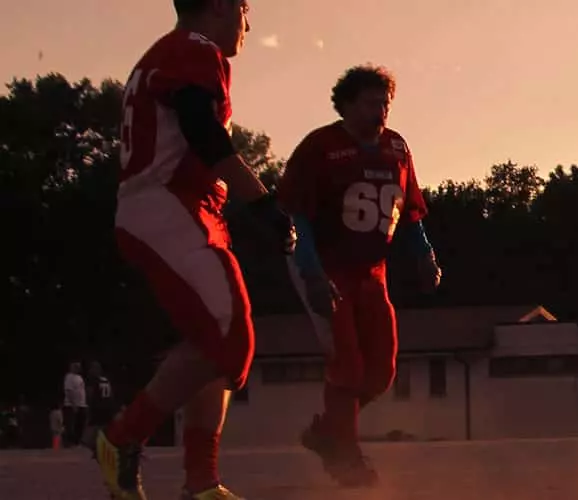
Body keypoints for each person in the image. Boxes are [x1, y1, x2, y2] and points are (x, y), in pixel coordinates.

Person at [97, 0, 282, 499]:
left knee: (213, 345)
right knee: (227, 332)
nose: (248, 23)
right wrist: (261, 202)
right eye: (245, 7)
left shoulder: (173, 53)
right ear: (219, 5)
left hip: (182, 208)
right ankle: (122, 436)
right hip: (167, 204)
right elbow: (203, 131)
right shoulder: (194, 48)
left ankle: (201, 481)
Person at [277, 64, 440, 488]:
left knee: (381, 371)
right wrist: (312, 271)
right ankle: (346, 458)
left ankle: (329, 431)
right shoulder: (320, 147)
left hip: (372, 270)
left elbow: (409, 212)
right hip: (326, 264)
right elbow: (297, 216)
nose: (381, 111)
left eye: (385, 103)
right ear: (346, 105)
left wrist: (424, 255)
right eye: (371, 103)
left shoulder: (397, 147)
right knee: (347, 365)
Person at [64, 362, 88, 447]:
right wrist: (74, 404)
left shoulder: (79, 377)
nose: (78, 368)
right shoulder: (69, 377)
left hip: (81, 404)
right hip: (72, 405)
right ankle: (70, 443)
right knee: (71, 425)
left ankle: (77, 442)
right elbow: (69, 391)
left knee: (80, 424)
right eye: (76, 366)